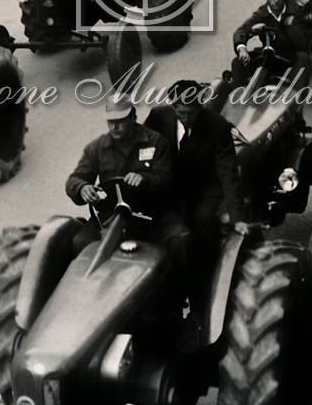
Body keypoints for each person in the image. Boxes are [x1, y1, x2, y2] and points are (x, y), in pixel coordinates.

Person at [65, 97, 184, 264]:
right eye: (111, 121)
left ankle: (179, 280)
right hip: (112, 215)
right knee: (81, 242)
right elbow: (75, 179)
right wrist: (82, 187)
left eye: (120, 121)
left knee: (179, 238)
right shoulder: (98, 147)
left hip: (152, 213)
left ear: (133, 117)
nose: (115, 126)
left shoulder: (156, 142)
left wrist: (145, 179)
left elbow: (167, 179)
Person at [145, 79, 247, 267]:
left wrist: (237, 217)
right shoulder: (158, 117)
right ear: (173, 107)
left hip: (204, 189)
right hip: (170, 185)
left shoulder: (218, 126)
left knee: (205, 221)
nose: (186, 118)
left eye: (191, 113)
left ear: (200, 107)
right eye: (181, 113)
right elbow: (143, 146)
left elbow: (228, 172)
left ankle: (207, 268)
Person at [231, 0, 312, 83]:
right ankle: (240, 92)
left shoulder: (297, 11)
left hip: (292, 58)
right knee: (237, 62)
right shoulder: (262, 14)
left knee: (303, 57)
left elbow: (302, 41)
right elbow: (241, 31)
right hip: (269, 58)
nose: (276, 0)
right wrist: (242, 49)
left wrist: (275, 33)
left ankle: (298, 93)